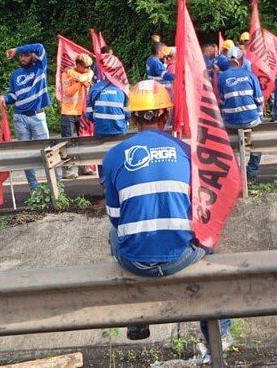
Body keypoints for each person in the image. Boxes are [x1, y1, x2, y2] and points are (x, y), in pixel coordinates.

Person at [99, 81, 232, 363]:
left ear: (133, 117)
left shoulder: (112, 156)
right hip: (181, 257)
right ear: (165, 115)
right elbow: (201, 209)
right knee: (209, 251)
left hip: (134, 261)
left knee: (115, 234)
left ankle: (138, 319)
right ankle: (219, 333)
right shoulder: (187, 150)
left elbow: (115, 216)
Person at [0, 43, 51, 190]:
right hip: (20, 117)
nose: (22, 57)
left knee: (47, 153)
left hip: (37, 116)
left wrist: (16, 50)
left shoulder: (40, 67)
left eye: (25, 54)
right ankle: (34, 189)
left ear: (32, 56)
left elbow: (40, 47)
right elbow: (13, 95)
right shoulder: (16, 74)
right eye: (21, 55)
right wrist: (5, 98)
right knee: (26, 155)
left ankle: (54, 186)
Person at [217, 47, 264, 182]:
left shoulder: (222, 77)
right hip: (251, 121)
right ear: (241, 59)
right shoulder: (250, 75)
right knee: (259, 143)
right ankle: (251, 173)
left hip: (230, 122)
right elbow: (259, 100)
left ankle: (235, 174)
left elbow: (222, 100)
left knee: (229, 145)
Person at [60, 53, 96, 177]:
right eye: (86, 67)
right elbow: (68, 92)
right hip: (68, 112)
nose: (88, 69)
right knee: (68, 142)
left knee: (84, 140)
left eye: (89, 66)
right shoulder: (65, 74)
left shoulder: (88, 73)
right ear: (79, 65)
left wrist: (73, 73)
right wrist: (79, 83)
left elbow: (86, 76)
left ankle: (84, 167)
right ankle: (68, 170)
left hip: (82, 112)